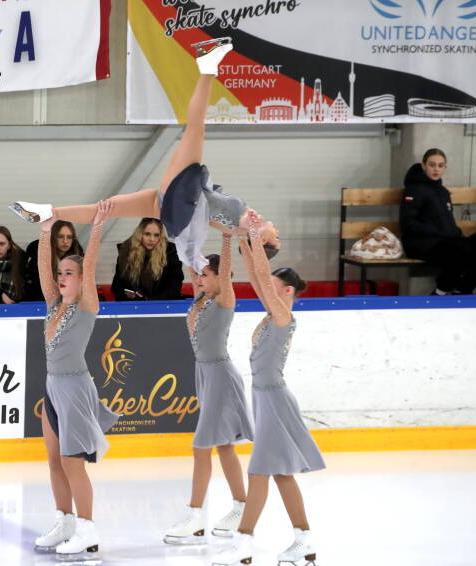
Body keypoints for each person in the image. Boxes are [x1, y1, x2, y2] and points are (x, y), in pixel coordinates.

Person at [8, 37, 280, 273]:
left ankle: (208, 67)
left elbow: (240, 229)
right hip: (172, 205)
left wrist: (252, 232)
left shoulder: (247, 226)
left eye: (275, 239)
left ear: (262, 241)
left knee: (194, 130)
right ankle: (49, 213)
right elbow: (215, 218)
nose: (276, 233)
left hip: (183, 198)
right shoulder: (239, 228)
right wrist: (245, 232)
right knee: (107, 208)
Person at [212, 211, 325, 566]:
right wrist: (239, 237)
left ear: (287, 291)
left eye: (273, 287)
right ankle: (303, 540)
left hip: (274, 399)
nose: (264, 290)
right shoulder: (271, 312)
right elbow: (257, 277)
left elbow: (260, 274)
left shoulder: (283, 316)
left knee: (260, 472)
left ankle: (243, 544)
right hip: (266, 398)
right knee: (279, 474)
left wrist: (257, 241)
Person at [33, 200, 120, 561]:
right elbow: (43, 269)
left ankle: (87, 529)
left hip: (75, 389)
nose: (61, 277)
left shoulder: (87, 307)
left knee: (72, 462)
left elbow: (91, 261)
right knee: (54, 460)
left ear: (82, 280)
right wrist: (45, 230)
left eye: (69, 272)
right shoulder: (55, 305)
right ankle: (65, 520)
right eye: (61, 272)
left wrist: (97, 227)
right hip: (54, 387)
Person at [163, 231, 253, 545]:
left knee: (201, 446)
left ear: (222, 277)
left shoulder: (225, 298)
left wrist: (228, 237)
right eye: (198, 274)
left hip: (220, 376)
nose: (199, 279)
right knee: (224, 445)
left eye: (206, 274)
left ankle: (196, 513)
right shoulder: (200, 300)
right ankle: (242, 506)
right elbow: (190, 264)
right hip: (205, 374)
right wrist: (183, 240)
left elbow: (224, 269)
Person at [400, 148, 476, 295]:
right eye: (432, 165)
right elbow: (408, 223)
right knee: (460, 251)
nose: (436, 169)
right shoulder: (414, 189)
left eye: (440, 165)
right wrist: (439, 232)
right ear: (424, 165)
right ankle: (440, 291)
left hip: (444, 240)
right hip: (422, 243)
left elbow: (447, 222)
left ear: (445, 167)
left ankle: (462, 290)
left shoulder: (442, 191)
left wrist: (456, 234)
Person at [111, 218, 184, 301]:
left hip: (163, 306)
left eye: (156, 235)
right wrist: (133, 300)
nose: (152, 239)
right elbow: (117, 286)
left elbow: (174, 286)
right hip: (133, 307)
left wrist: (148, 300)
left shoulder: (170, 252)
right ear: (139, 234)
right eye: (147, 234)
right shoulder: (126, 252)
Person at [26, 221, 84, 302]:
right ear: (52, 237)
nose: (65, 241)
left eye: (69, 237)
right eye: (60, 236)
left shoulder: (78, 259)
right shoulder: (39, 259)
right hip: (42, 304)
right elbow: (34, 288)